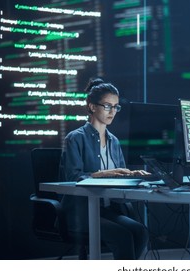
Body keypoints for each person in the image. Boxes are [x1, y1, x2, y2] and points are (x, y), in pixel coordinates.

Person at [60, 78, 149, 259]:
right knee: (122, 236)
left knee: (140, 232)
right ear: (93, 107)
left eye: (116, 106)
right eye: (108, 106)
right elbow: (73, 177)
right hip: (80, 212)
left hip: (107, 210)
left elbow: (120, 175)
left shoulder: (114, 141)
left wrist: (133, 175)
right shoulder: (74, 138)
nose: (113, 111)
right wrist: (106, 173)